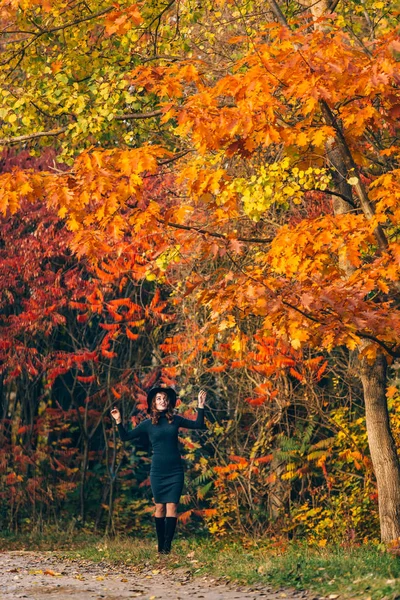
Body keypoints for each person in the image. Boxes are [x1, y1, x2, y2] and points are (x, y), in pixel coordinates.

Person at [110, 386, 206, 554]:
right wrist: (118, 420)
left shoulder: (175, 420)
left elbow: (198, 424)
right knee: (160, 507)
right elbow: (125, 437)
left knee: (172, 508)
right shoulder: (147, 424)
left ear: (169, 403)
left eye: (165, 399)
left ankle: (166, 549)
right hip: (158, 471)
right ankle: (160, 547)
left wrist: (201, 405)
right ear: (153, 403)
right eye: (159, 399)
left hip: (175, 470)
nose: (162, 401)